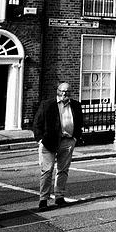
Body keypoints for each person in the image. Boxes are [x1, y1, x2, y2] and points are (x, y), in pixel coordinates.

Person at [32, 81, 83, 210]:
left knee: (63, 170)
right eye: (62, 90)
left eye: (67, 91)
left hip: (67, 141)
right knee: (47, 171)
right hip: (48, 142)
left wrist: (75, 138)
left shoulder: (76, 105)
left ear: (70, 93)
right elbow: (37, 124)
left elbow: (79, 123)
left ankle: (59, 196)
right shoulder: (47, 105)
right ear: (58, 91)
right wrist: (40, 140)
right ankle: (43, 199)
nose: (65, 93)